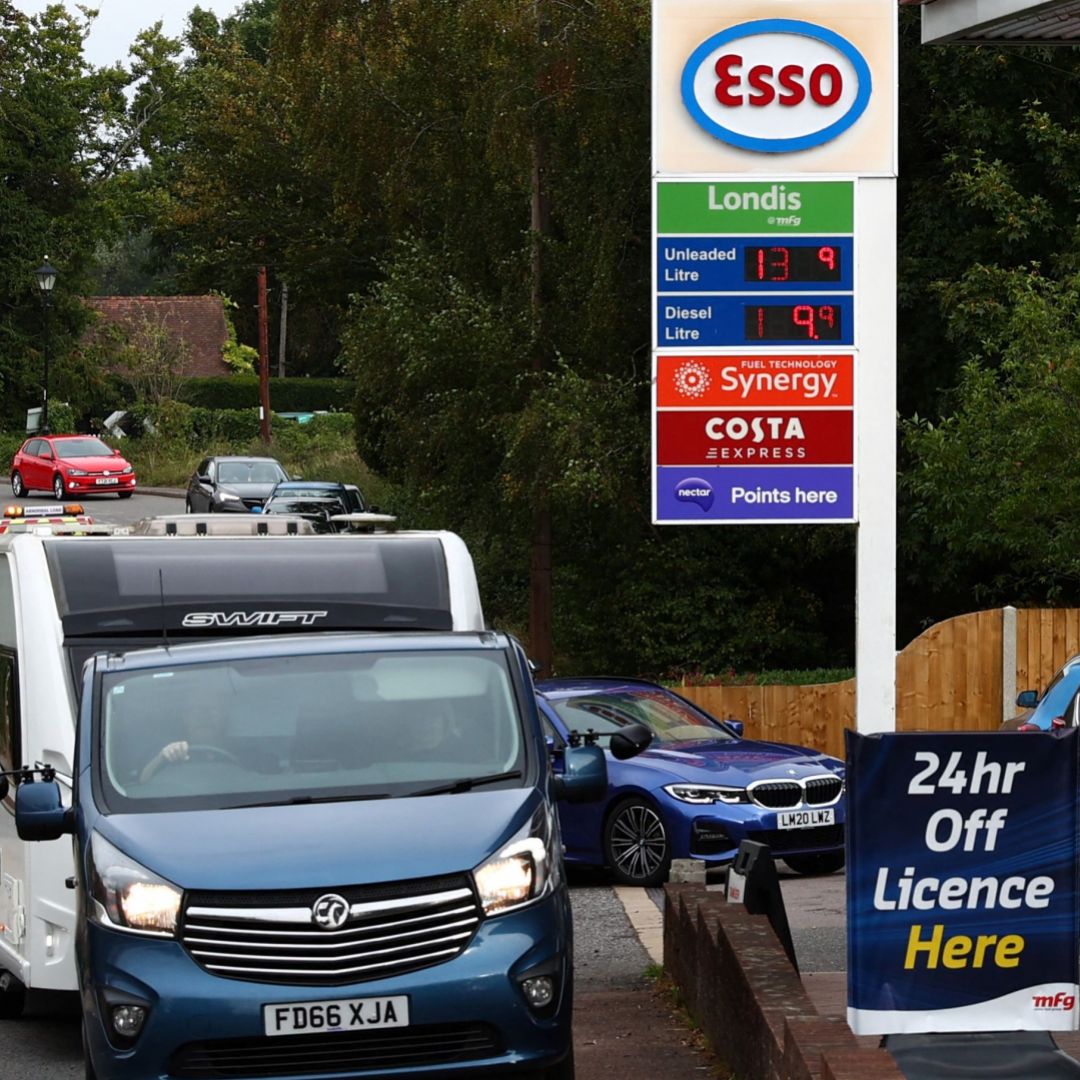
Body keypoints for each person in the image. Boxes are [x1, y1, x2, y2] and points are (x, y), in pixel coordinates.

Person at [139, 704, 275, 782]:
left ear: (225, 717)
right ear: (185, 718)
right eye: (195, 709)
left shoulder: (250, 753)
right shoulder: (169, 754)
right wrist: (163, 757)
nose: (203, 716)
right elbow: (143, 783)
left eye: (213, 708)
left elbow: (272, 783)